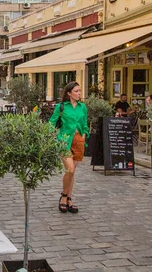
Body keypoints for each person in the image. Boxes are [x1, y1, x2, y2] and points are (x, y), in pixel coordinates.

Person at [49, 81, 89, 214]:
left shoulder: (82, 107)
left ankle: (69, 198)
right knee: (70, 170)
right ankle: (64, 196)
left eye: (79, 91)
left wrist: (83, 135)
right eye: (76, 91)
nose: (79, 93)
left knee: (73, 172)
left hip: (78, 141)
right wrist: (51, 138)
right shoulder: (61, 107)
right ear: (69, 93)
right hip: (64, 141)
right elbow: (51, 123)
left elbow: (85, 124)